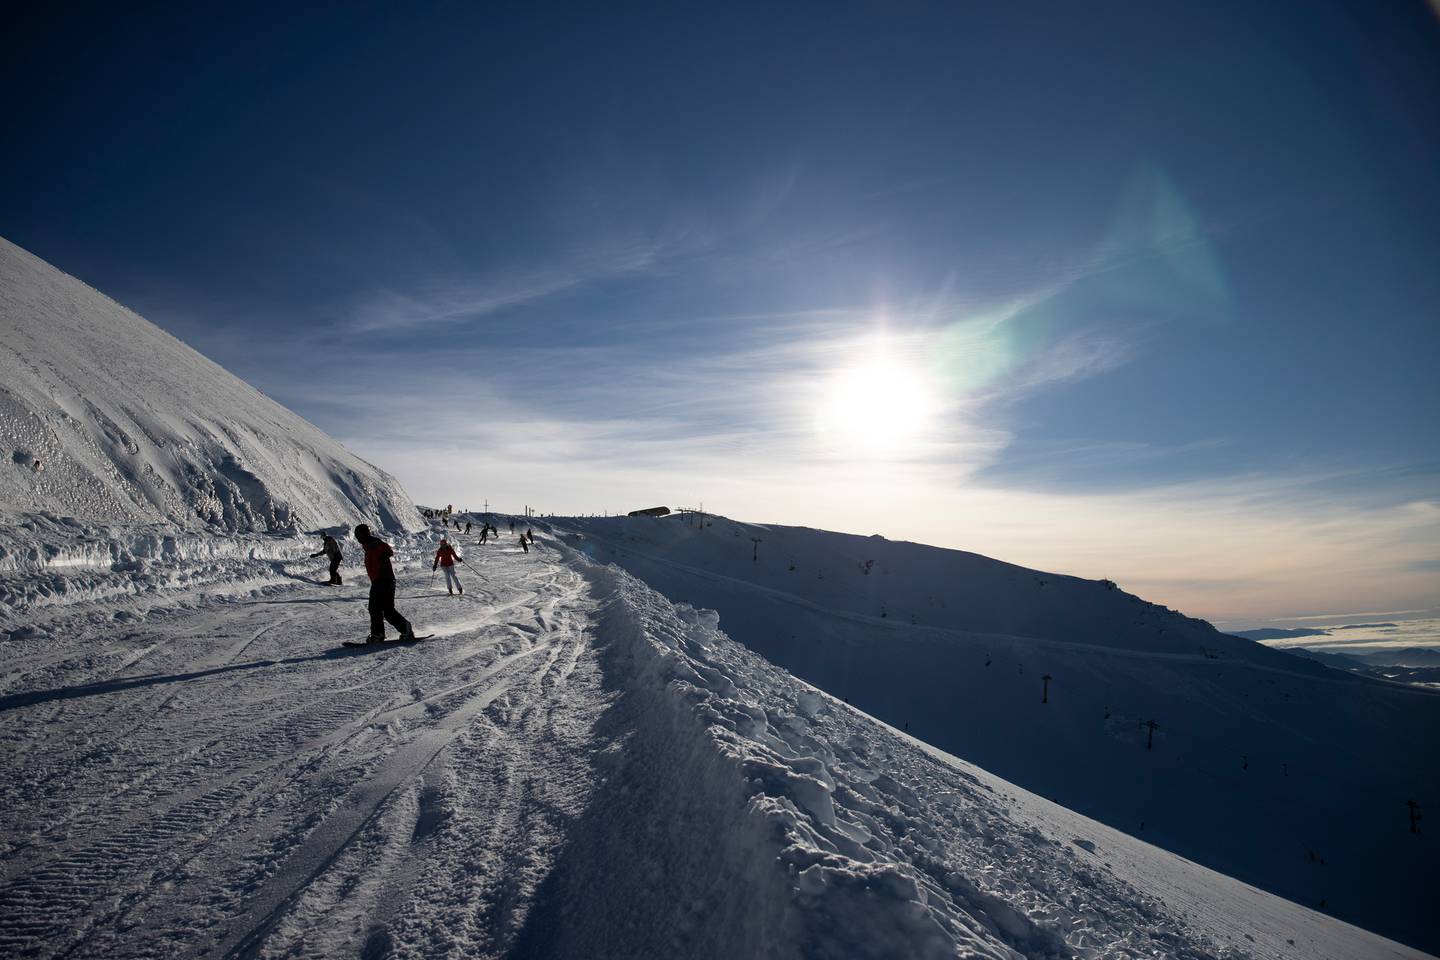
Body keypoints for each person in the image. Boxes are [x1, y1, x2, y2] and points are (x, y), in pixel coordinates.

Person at [354, 524, 415, 642]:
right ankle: (404, 629)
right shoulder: (368, 545)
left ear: (364, 534)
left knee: (375, 608)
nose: (358, 538)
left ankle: (378, 634)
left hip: (383, 580)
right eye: (357, 535)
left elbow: (387, 550)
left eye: (359, 535)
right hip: (382, 580)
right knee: (386, 610)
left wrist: (384, 556)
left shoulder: (373, 543)